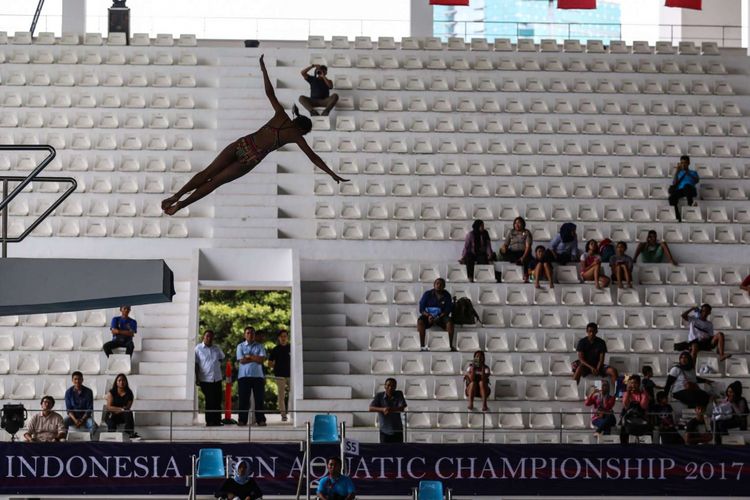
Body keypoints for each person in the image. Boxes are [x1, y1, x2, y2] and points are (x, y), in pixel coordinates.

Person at [162, 55, 347, 215]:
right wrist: (332, 173)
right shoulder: (296, 136)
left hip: (241, 144)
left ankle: (176, 196)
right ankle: (181, 205)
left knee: (207, 173)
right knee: (215, 182)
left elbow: (269, 92)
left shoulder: (281, 116)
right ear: (303, 130)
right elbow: (313, 157)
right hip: (250, 159)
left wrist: (263, 69)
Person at [572, 323, 618, 389]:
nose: (591, 333)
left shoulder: (601, 342)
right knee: (578, 369)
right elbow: (581, 359)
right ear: (587, 331)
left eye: (593, 331)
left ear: (596, 331)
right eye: (589, 331)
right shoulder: (582, 342)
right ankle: (573, 390)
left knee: (613, 371)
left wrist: (597, 369)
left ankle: (617, 393)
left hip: (597, 365)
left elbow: (601, 359)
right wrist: (591, 368)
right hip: (586, 365)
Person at [237, 327, 267, 426]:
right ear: (244, 335)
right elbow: (242, 360)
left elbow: (262, 360)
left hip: (258, 377)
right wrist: (255, 358)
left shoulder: (260, 346)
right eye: (248, 333)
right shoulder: (240, 346)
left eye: (252, 333)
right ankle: (242, 420)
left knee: (259, 399)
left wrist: (249, 356)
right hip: (244, 377)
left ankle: (261, 420)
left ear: (254, 335)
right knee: (243, 400)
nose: (250, 335)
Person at [195, 329, 225, 426]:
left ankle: (217, 420)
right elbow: (196, 364)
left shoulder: (217, 348)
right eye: (207, 336)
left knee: (217, 400)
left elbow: (221, 358)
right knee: (210, 400)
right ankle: (210, 421)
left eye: (211, 336)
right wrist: (197, 378)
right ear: (203, 337)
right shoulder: (198, 349)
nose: (209, 338)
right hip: (205, 379)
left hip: (217, 378)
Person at [417, 278, 454, 351]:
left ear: (444, 286)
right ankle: (421, 345)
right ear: (434, 285)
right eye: (437, 283)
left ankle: (449, 345)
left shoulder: (447, 295)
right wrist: (428, 315)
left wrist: (439, 317)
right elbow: (421, 309)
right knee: (420, 321)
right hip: (428, 316)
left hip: (441, 317)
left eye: (441, 284)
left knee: (450, 322)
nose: (439, 285)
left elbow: (447, 310)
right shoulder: (427, 294)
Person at [369, 378, 407, 443]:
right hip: (384, 430)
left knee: (398, 451)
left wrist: (390, 409)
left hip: (397, 430)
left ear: (395, 387)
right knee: (384, 451)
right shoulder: (379, 395)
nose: (390, 387)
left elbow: (402, 407)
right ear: (384, 386)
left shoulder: (399, 394)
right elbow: (370, 408)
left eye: (393, 386)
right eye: (388, 385)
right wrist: (383, 409)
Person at [103, 373, 139, 439]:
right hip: (111, 414)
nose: (121, 382)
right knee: (112, 425)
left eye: (123, 380)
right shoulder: (112, 392)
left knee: (129, 412)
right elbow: (109, 407)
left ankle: (130, 432)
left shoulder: (129, 393)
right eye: (119, 380)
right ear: (116, 382)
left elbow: (127, 408)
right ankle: (111, 439)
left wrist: (119, 410)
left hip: (122, 415)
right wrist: (121, 409)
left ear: (126, 382)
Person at [64, 371, 97, 438]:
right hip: (73, 417)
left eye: (79, 379)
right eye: (75, 379)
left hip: (86, 417)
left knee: (94, 426)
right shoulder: (68, 392)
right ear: (72, 380)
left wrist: (82, 420)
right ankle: (63, 441)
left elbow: (89, 408)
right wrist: (75, 420)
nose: (77, 381)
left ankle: (89, 441)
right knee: (63, 423)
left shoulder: (88, 391)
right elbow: (69, 409)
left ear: (82, 380)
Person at [498, 217, 533, 281]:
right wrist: (504, 248)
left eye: (519, 223)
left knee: (527, 258)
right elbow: (506, 244)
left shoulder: (526, 232)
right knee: (501, 251)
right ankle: (517, 260)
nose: (517, 224)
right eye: (515, 223)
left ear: (523, 224)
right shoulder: (511, 232)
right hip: (513, 253)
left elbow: (528, 247)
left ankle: (526, 275)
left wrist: (523, 257)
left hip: (523, 252)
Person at [620, 374, 650, 444]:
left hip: (640, 420)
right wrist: (628, 392)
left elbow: (643, 406)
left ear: (639, 384)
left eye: (635, 383)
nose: (633, 385)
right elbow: (626, 406)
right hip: (628, 420)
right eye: (631, 383)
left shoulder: (643, 394)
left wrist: (644, 392)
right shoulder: (626, 393)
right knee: (623, 431)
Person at [268, 329, 291, 422]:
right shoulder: (275, 349)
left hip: (291, 375)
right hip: (280, 375)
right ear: (279, 338)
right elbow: (269, 363)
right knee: (281, 396)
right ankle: (283, 415)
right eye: (282, 336)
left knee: (293, 394)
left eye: (285, 336)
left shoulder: (291, 348)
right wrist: (276, 365)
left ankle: (293, 413)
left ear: (287, 337)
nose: (283, 338)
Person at [668, 155, 699, 222]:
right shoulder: (679, 173)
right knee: (671, 198)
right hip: (681, 190)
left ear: (688, 163)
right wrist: (677, 171)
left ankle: (690, 203)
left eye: (685, 163)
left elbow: (697, 181)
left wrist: (688, 174)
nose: (683, 164)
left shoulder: (693, 172)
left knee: (686, 186)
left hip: (691, 190)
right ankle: (677, 217)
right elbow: (674, 183)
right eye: (682, 163)